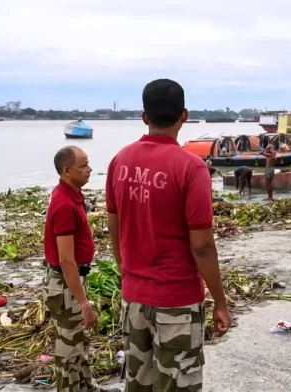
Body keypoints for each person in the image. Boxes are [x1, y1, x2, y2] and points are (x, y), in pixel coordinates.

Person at [105, 79, 231, 392]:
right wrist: (220, 300)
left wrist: (127, 273)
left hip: (134, 299)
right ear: (184, 115)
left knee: (139, 383)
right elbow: (201, 246)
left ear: (144, 116)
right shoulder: (191, 168)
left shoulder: (120, 161)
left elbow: (114, 228)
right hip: (176, 302)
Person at [43, 146, 120, 392]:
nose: (89, 169)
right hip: (65, 282)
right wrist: (84, 303)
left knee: (78, 340)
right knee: (68, 349)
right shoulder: (64, 204)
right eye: (83, 165)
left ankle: (87, 387)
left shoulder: (72, 195)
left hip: (71, 279)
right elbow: (66, 260)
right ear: (67, 170)